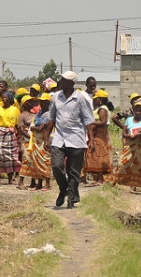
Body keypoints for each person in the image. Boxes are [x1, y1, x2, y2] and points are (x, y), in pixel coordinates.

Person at [44, 71, 95, 209]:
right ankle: (63, 189)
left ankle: (71, 198)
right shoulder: (55, 97)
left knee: (74, 171)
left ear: (72, 83)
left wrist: (91, 139)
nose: (61, 81)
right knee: (57, 166)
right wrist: (46, 137)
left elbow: (88, 119)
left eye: (64, 80)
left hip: (77, 138)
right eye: (61, 79)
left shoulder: (80, 98)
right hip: (59, 138)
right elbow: (51, 118)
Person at [114, 98, 141, 191]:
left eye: (140, 109)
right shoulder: (129, 120)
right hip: (130, 144)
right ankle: (118, 182)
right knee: (122, 162)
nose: (138, 111)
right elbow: (124, 133)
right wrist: (130, 136)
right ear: (133, 110)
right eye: (136, 109)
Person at [84, 89, 113, 185]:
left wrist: (90, 122)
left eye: (95, 99)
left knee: (99, 155)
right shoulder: (100, 108)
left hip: (99, 136)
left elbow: (103, 122)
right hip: (95, 134)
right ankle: (98, 179)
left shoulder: (102, 109)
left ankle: (100, 179)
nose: (93, 100)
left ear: (100, 99)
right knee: (96, 155)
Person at [25, 93, 53, 191]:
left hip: (44, 139)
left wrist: (33, 128)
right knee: (36, 161)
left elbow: (41, 128)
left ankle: (47, 184)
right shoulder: (40, 113)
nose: (42, 103)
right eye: (41, 102)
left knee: (44, 160)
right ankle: (39, 183)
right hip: (36, 140)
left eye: (44, 102)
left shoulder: (49, 114)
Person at [0, 91, 21, 186]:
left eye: (6, 97)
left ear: (10, 98)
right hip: (0, 133)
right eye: (2, 98)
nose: (4, 99)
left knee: (10, 157)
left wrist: (19, 138)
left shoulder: (15, 110)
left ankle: (10, 179)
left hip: (10, 134)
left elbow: (17, 125)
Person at [17, 95, 37, 190]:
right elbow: (21, 130)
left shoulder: (34, 115)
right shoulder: (22, 116)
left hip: (34, 140)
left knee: (34, 160)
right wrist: (30, 137)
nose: (33, 104)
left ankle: (33, 182)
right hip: (26, 141)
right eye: (31, 102)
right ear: (26, 103)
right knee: (26, 159)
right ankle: (21, 182)